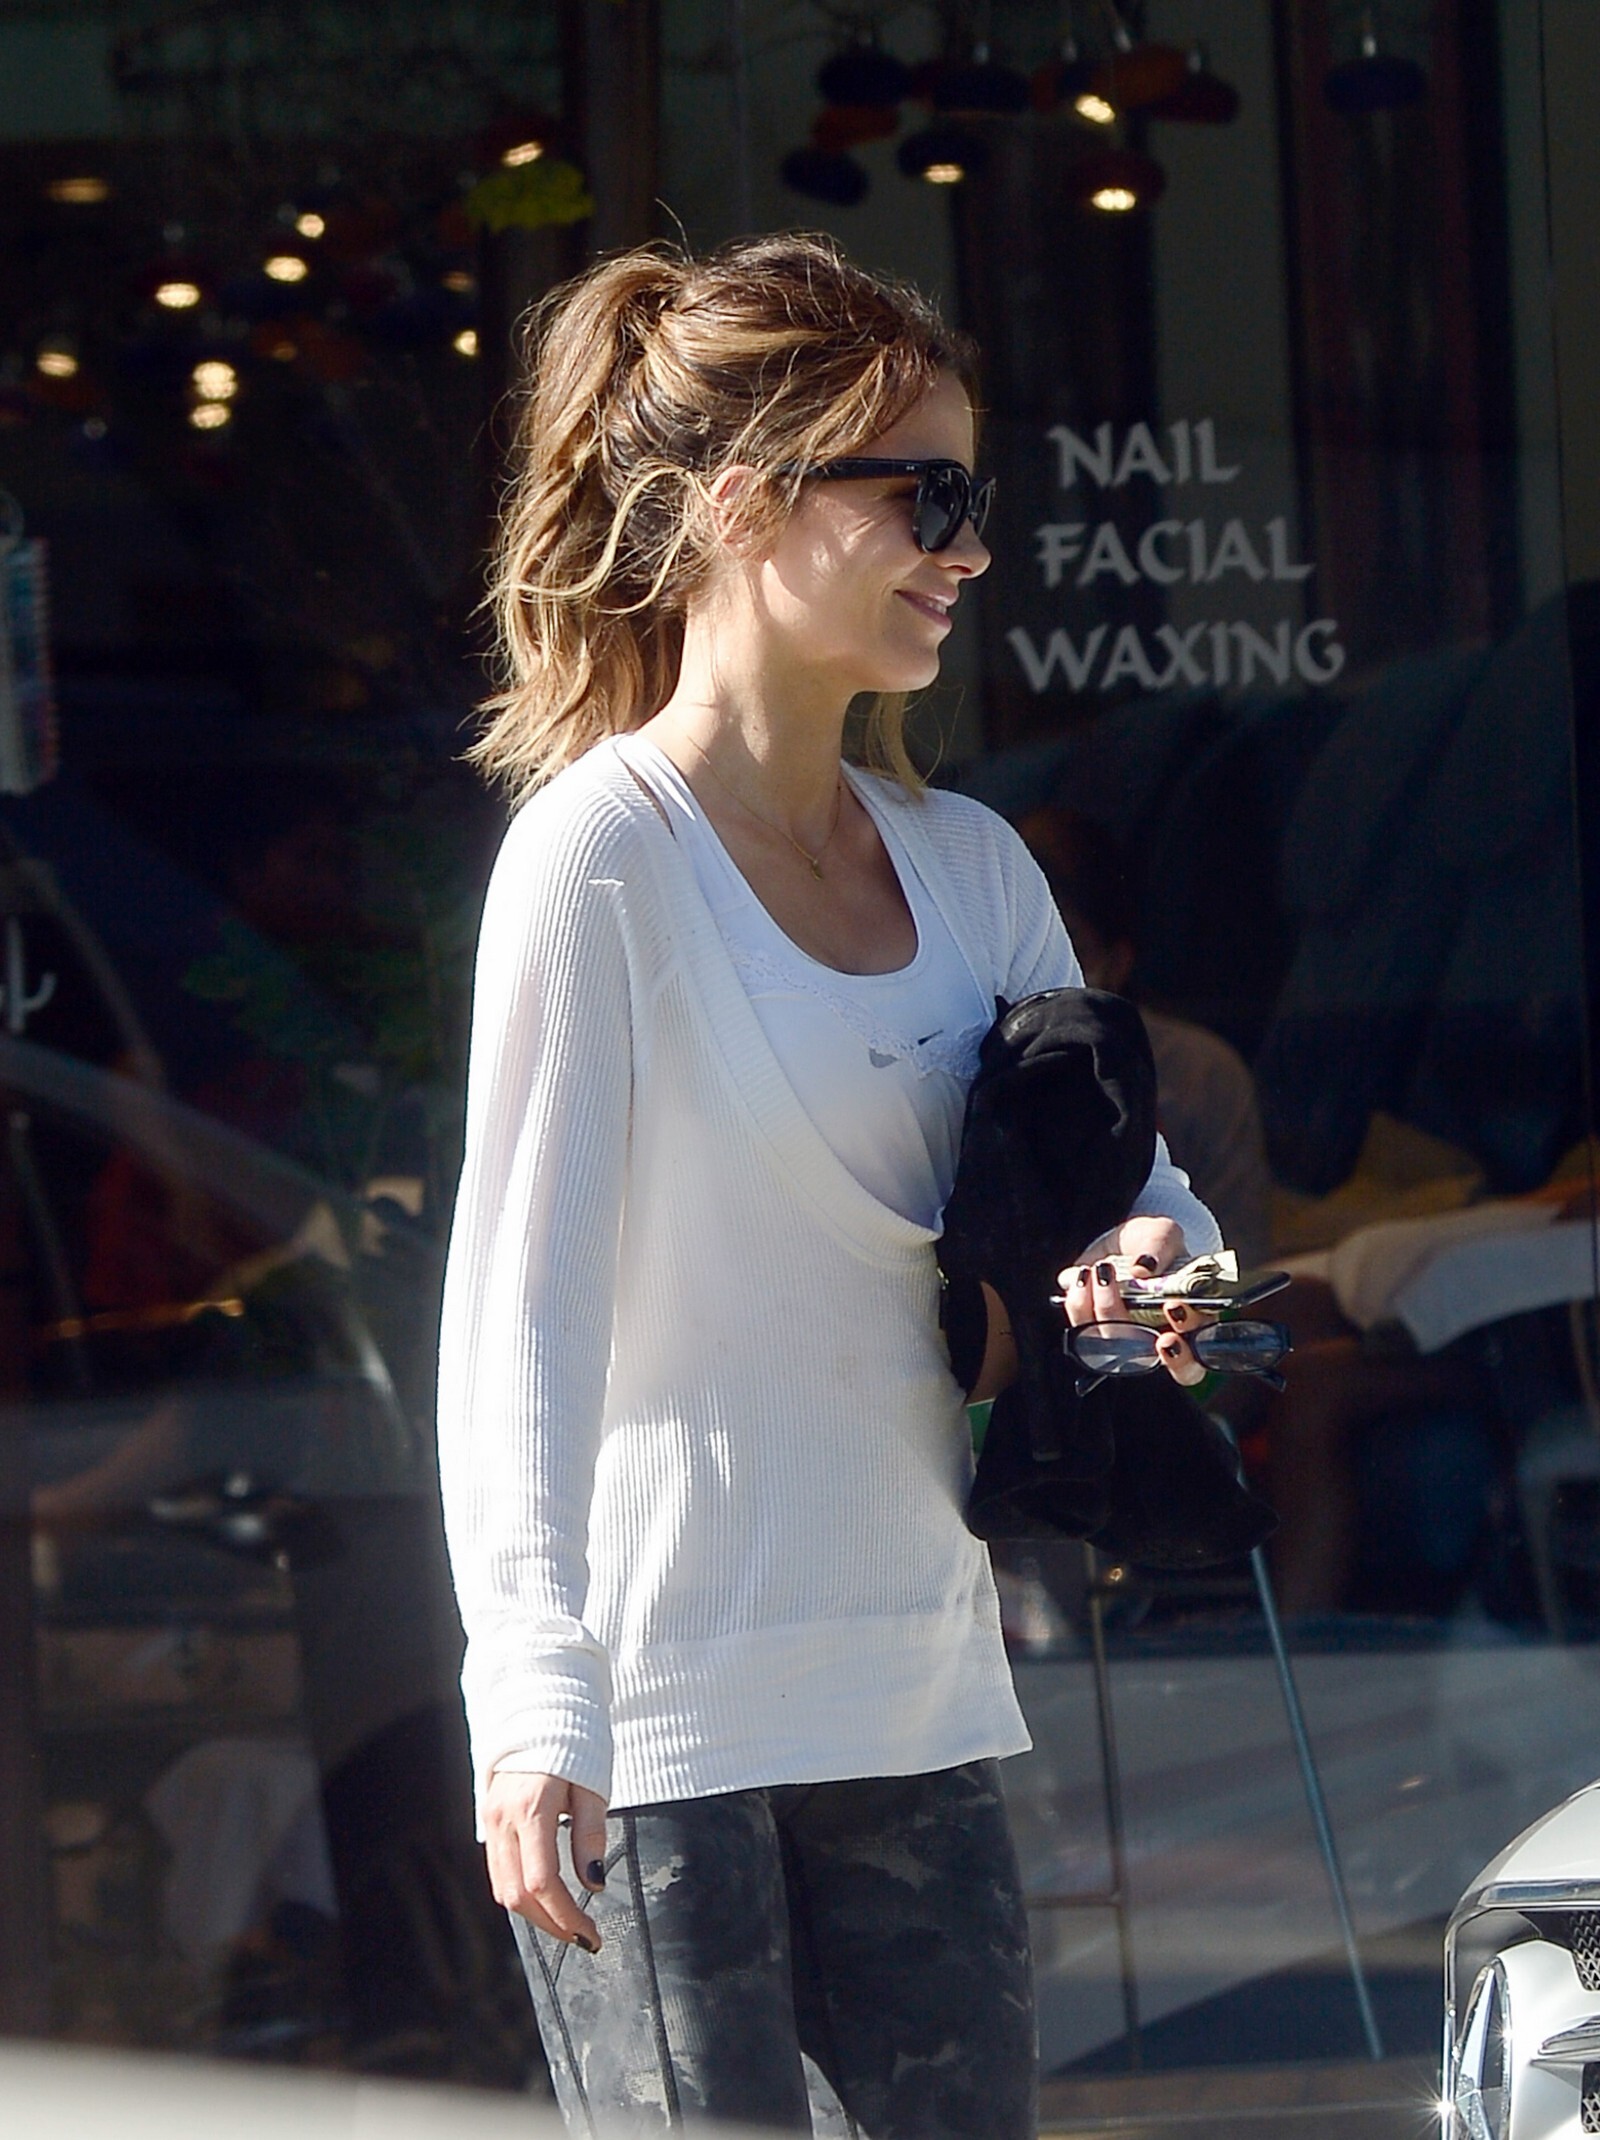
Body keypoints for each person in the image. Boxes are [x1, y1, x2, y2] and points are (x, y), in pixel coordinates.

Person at [436, 233, 1219, 2137]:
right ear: (741, 501)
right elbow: (520, 1306)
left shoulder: (974, 868)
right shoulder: (603, 858)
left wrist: (1158, 1280)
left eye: (975, 500)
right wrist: (533, 1689)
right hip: (659, 1713)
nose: (967, 548)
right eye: (922, 495)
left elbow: (1143, 1198)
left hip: (914, 1684)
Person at [1018, 805, 1273, 1271]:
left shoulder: (1201, 1076)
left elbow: (1239, 1270)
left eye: (1067, 954)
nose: (1036, 979)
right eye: (1020, 952)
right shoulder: (950, 1064)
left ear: (1116, 963)